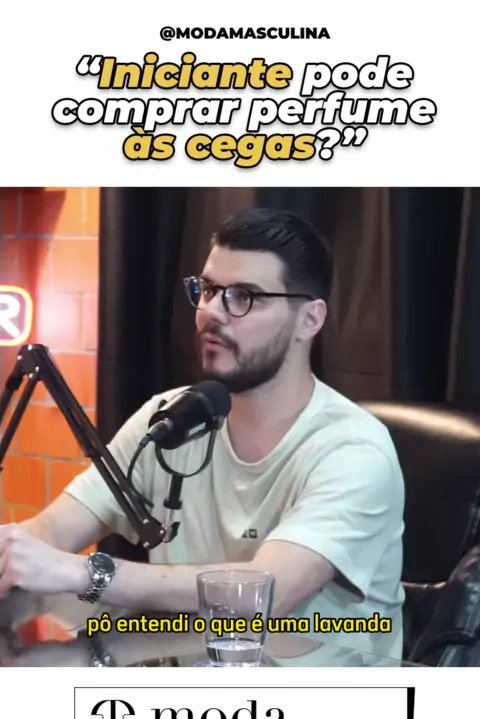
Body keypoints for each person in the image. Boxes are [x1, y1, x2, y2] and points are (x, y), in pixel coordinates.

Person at [0, 208, 405, 659]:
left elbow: (266, 596)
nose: (211, 312)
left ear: (309, 319)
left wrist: (84, 574)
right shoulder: (168, 418)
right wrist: (15, 553)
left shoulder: (354, 450)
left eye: (243, 296)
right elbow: (56, 528)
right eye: (208, 290)